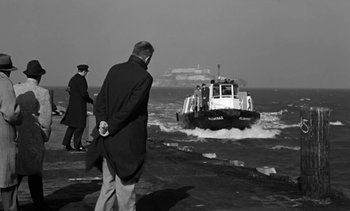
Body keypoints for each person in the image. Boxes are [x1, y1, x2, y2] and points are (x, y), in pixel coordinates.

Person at [86, 41, 154, 211]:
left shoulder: (114, 69)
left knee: (107, 186)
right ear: (147, 58)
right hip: (128, 141)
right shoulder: (145, 78)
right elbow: (131, 108)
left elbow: (100, 100)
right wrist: (111, 125)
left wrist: (102, 121)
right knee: (126, 187)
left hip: (107, 140)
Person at [13, 60, 52, 211]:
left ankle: (12, 203)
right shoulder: (43, 93)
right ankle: (39, 204)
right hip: (34, 137)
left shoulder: (16, 89)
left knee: (17, 172)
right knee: (35, 173)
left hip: (17, 135)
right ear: (40, 76)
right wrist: (44, 136)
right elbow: (46, 120)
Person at [0, 53, 22, 211]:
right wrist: (20, 117)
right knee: (7, 183)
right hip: (2, 138)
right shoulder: (4, 83)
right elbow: (10, 113)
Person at [61, 64, 93, 151]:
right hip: (80, 106)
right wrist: (90, 100)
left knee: (72, 125)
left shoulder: (73, 78)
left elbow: (69, 90)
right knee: (80, 126)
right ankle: (78, 145)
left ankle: (66, 143)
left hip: (72, 104)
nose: (86, 74)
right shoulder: (81, 79)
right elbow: (83, 93)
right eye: (86, 72)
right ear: (84, 71)